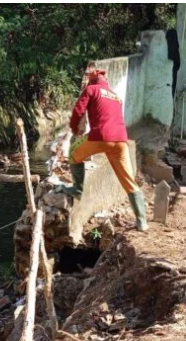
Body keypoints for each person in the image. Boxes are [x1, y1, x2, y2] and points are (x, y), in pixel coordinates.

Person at [56, 67, 149, 231]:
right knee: (129, 181)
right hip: (121, 140)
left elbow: (78, 110)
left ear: (92, 81)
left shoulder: (91, 89)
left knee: (73, 155)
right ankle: (142, 222)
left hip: (100, 137)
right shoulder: (116, 96)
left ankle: (77, 190)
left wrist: (73, 129)